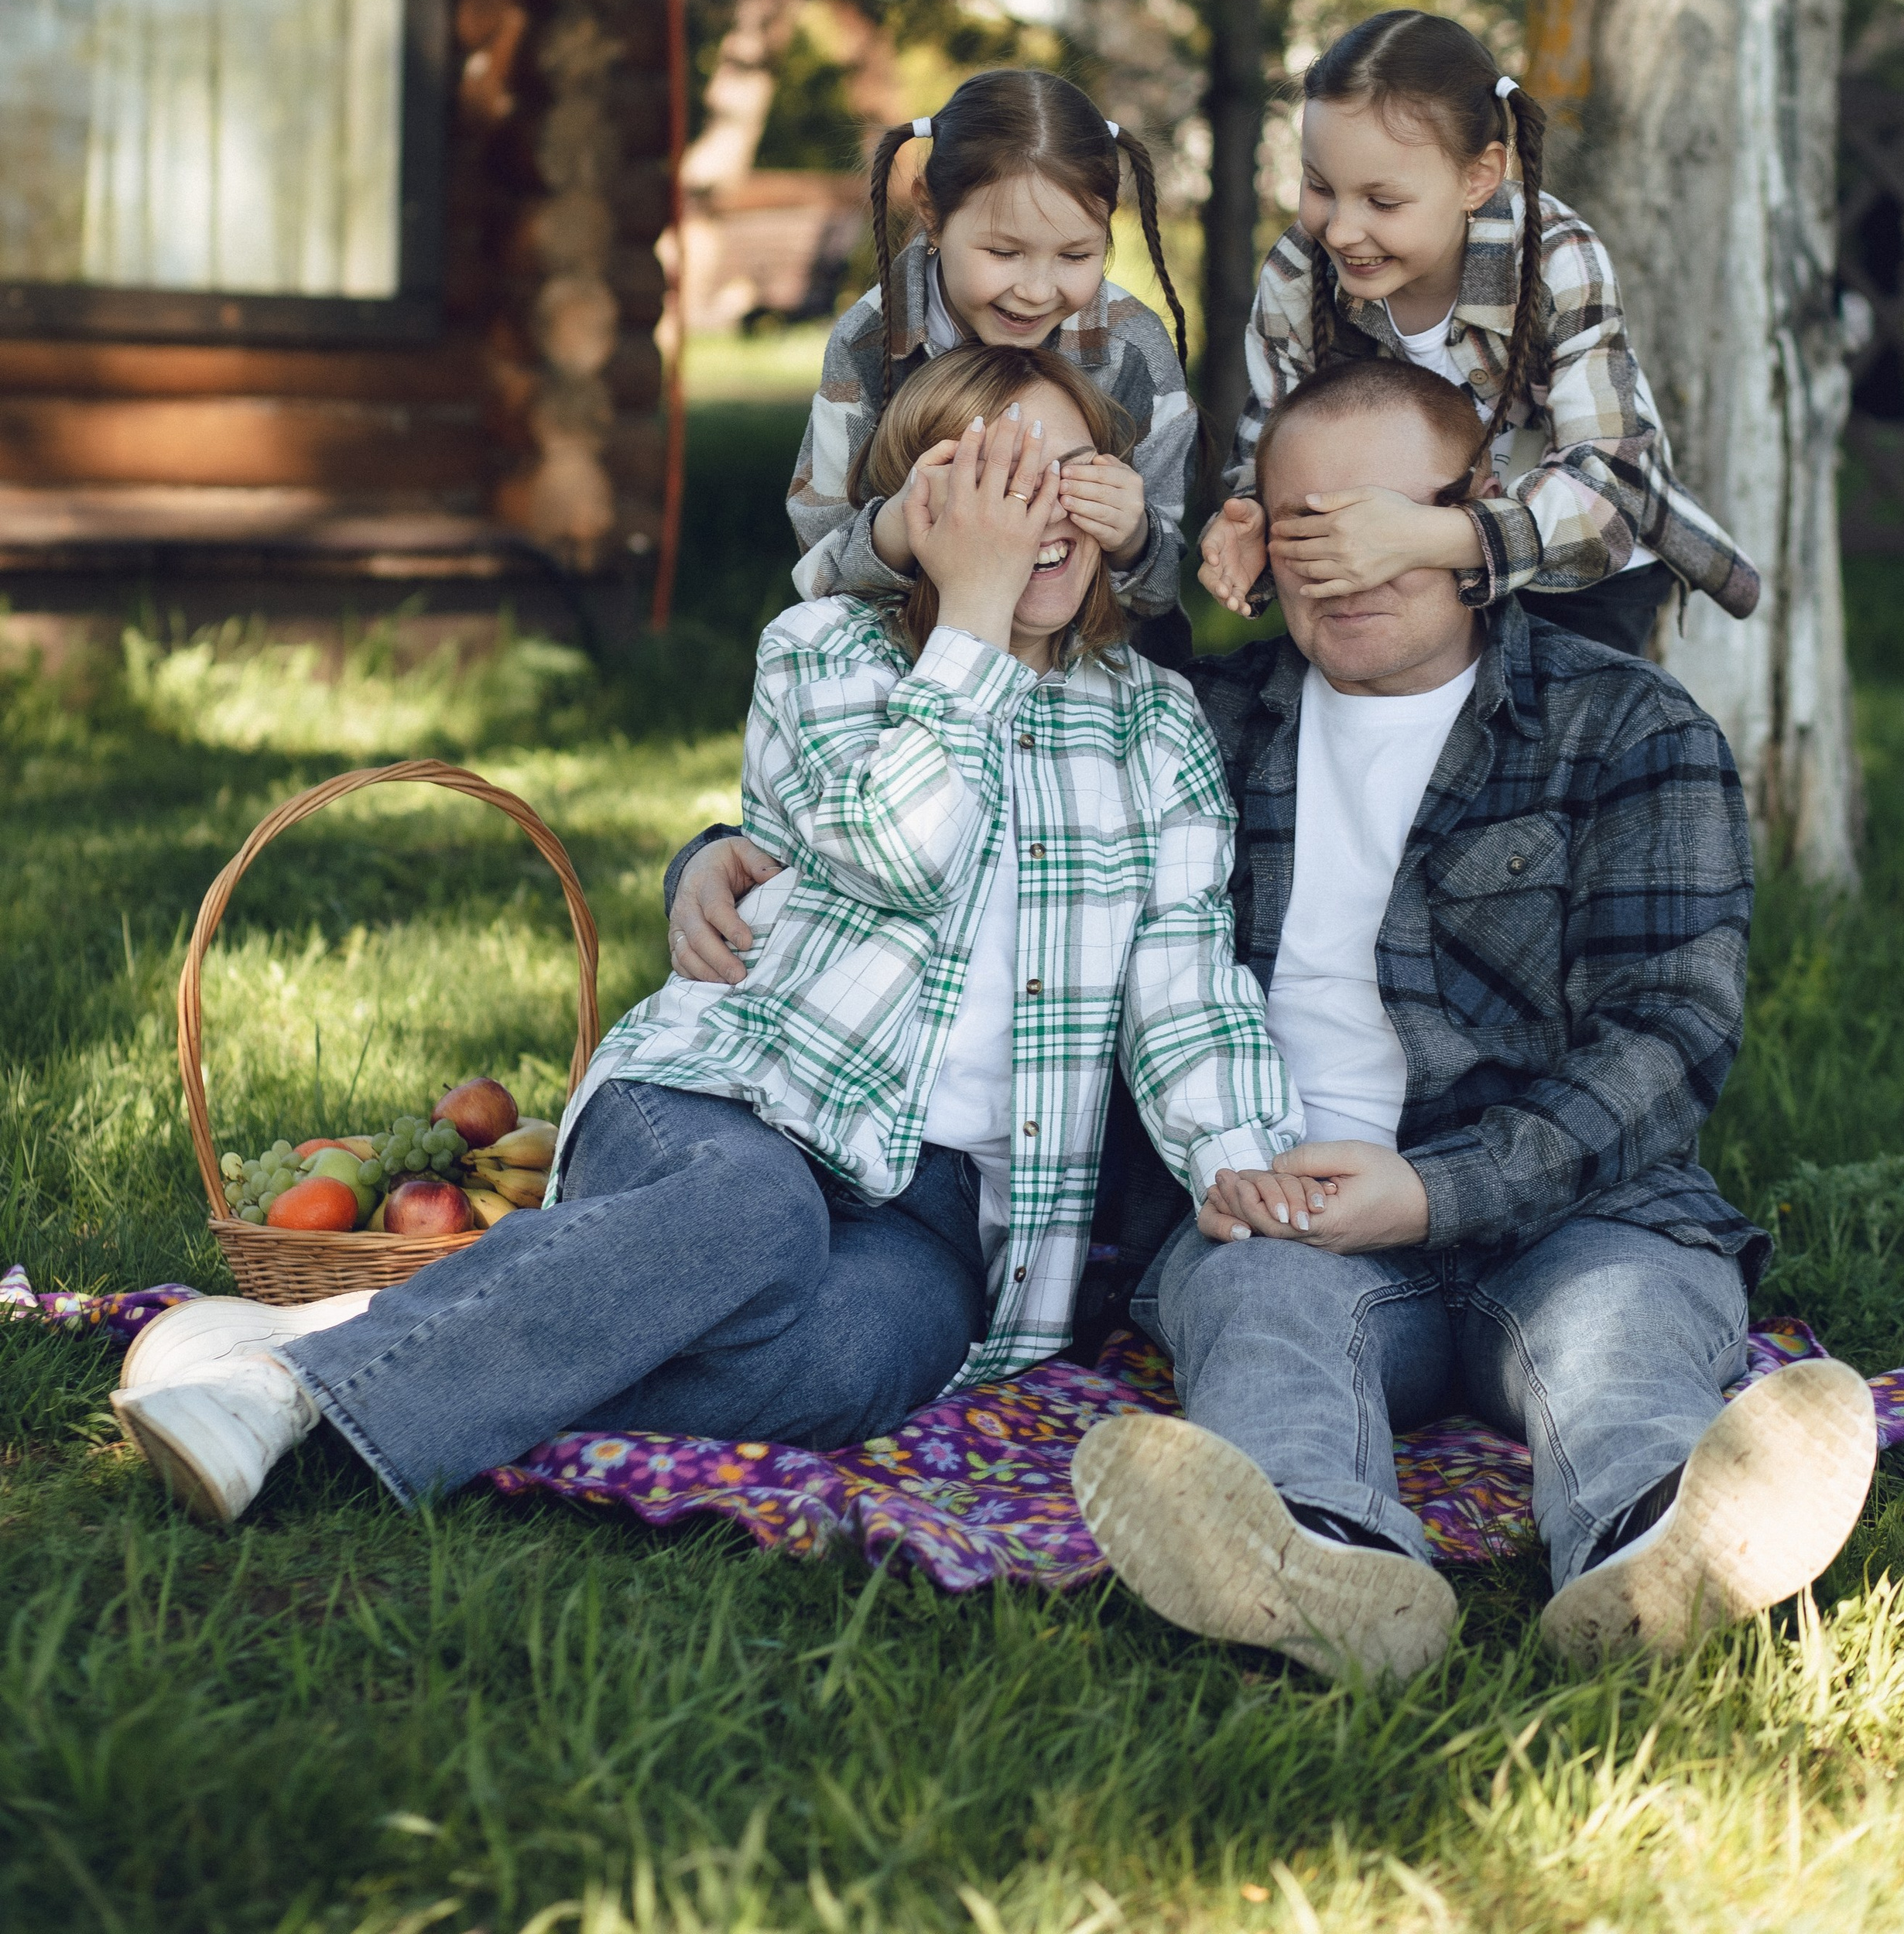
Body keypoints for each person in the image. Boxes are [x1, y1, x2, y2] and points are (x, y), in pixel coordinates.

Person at [113, 350, 1297, 1528]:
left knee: (852, 1365)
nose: (1035, 513)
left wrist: (1239, 1153)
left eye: (1070, 474)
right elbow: (902, 851)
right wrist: (976, 623)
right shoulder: (825, 654)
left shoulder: (1156, 726)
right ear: (921, 512)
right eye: (995, 480)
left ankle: (379, 1335)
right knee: (755, 1217)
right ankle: (289, 1393)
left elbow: (1186, 987)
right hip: (733, 1099)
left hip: (936, 1213)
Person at [1072, 357, 1874, 1681]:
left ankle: (1659, 1544)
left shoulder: (1626, 728)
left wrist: (1437, 1191)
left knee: (1621, 1341)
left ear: (1476, 517)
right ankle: (1320, 1564)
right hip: (1293, 1217)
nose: (1342, 561)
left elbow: (1669, 1039)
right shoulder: (1197, 728)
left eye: (1383, 519)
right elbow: (994, 849)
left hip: (1578, 1213)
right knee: (1261, 1325)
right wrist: (715, 860)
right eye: (1303, 525)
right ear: (1257, 542)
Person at [1197, 10, 1760, 659]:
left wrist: (1429, 536)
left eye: (1382, 202)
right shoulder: (1299, 275)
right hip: (1402, 563)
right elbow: (1269, 442)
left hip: (1577, 569)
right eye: (1320, 187)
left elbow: (1607, 502)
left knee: (1547, 736)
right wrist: (1251, 517)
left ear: (1478, 178)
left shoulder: (1553, 259)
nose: (1343, 231)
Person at [789, 68, 1197, 658]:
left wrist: (1134, 536)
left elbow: (1160, 590)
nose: (1036, 291)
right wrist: (899, 526)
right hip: (913, 672)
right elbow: (819, 572)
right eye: (1005, 252)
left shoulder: (1134, 352)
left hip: (1092, 686)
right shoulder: (866, 343)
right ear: (930, 210)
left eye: (1076, 254)